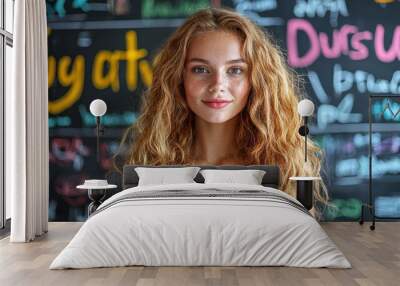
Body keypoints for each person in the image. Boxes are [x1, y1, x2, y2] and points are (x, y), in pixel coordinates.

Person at [113, 7, 328, 212]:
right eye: (200, 69)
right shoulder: (154, 164)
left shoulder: (284, 163)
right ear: (178, 78)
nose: (217, 84)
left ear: (257, 80)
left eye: (235, 70)